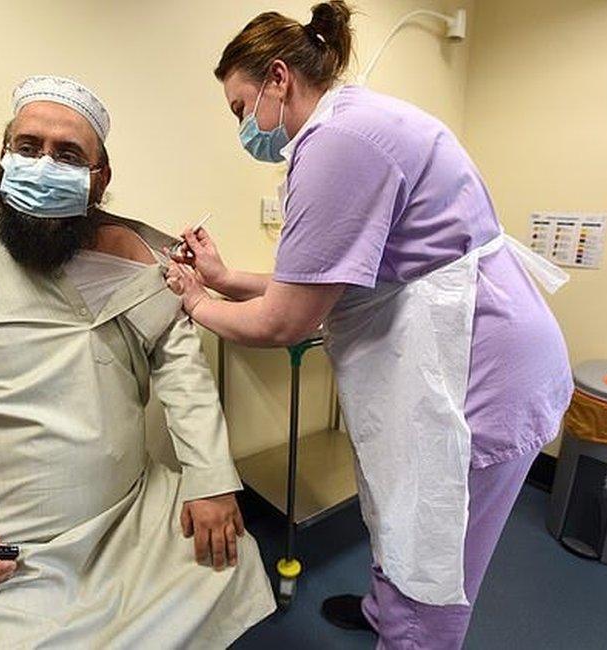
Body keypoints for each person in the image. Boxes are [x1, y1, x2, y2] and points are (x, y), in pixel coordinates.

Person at [164, 3, 574, 648]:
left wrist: (194, 302)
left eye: (241, 109)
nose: (244, 128)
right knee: (398, 505)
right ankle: (388, 611)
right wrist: (219, 277)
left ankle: (410, 632)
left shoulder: (338, 143)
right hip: (457, 346)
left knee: (433, 548)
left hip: (478, 373)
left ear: (278, 78)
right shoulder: (353, 124)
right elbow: (323, 280)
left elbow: (285, 321)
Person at [0, 75, 275, 649]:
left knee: (232, 563)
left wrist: (211, 482)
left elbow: (181, 371)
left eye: (67, 155)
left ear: (99, 179)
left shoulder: (142, 266)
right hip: (2, 541)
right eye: (28, 147)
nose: (42, 166)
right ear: (2, 156)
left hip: (128, 517)